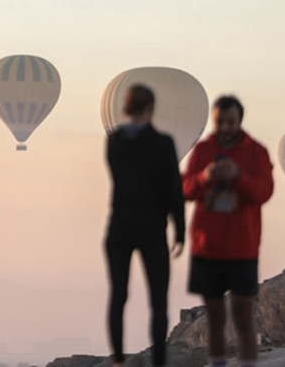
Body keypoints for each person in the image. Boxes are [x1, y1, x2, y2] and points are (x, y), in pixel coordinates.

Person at [182, 95, 273, 367]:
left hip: (242, 246)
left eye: (230, 122)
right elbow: (185, 190)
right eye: (219, 121)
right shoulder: (202, 151)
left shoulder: (256, 152)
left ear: (239, 121)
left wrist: (238, 177)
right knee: (215, 317)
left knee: (243, 315)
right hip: (207, 246)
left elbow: (264, 192)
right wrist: (204, 177)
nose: (224, 127)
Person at [105, 84, 185, 367]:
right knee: (158, 300)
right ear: (150, 107)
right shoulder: (162, 144)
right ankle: (159, 361)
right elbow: (173, 189)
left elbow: (121, 179)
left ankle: (116, 359)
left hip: (120, 226)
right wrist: (180, 229)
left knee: (118, 296)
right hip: (152, 228)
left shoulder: (114, 141)